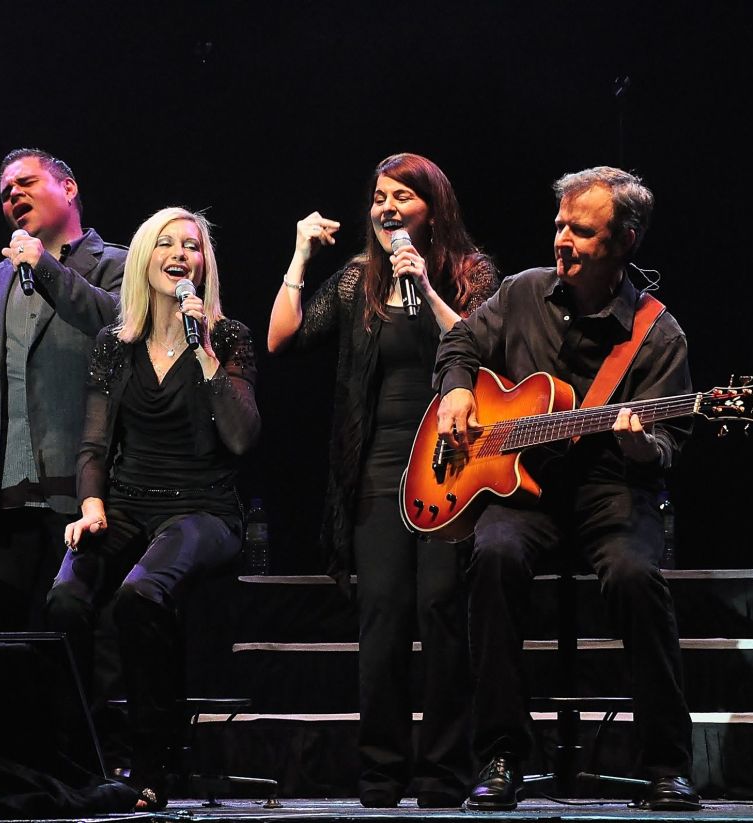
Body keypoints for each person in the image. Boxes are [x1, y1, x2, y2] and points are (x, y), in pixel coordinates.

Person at [433, 166, 700, 811]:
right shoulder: (523, 293)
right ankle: (500, 757)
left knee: (638, 579)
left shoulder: (658, 334)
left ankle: (666, 764)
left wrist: (640, 440)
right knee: (493, 557)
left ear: (625, 240)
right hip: (524, 492)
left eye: (580, 231)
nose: (562, 240)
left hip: (611, 492)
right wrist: (459, 389)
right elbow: (461, 339)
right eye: (559, 226)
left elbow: (665, 450)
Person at [267, 153, 498, 808]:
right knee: (386, 614)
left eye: (402, 196)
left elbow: (485, 346)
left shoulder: (470, 273)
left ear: (434, 206)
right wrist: (299, 255)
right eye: (378, 196)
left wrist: (425, 290)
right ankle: (382, 770)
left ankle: (444, 770)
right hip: (377, 467)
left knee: (441, 611)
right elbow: (283, 338)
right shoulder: (356, 281)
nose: (387, 206)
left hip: (454, 463)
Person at [44, 207, 260, 811]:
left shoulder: (229, 337)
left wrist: (208, 351)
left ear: (203, 264)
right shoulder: (116, 345)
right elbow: (93, 444)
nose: (179, 254)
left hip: (204, 509)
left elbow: (242, 438)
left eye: (191, 246)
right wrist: (90, 503)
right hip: (127, 503)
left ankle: (151, 765)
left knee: (140, 595)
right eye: (165, 244)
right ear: (143, 260)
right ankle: (79, 759)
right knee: (64, 599)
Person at [0, 148, 125, 631]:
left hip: (86, 496)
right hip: (2, 501)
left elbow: (119, 325)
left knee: (81, 640)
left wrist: (45, 265)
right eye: (6, 192)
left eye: (25, 183)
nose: (12, 195)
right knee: (9, 656)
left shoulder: (120, 266)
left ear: (69, 189)